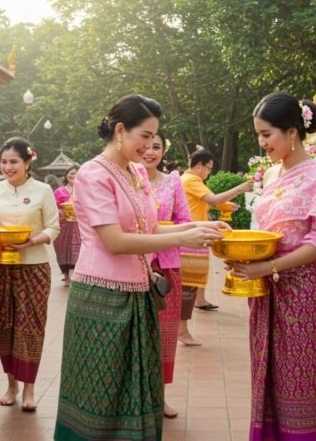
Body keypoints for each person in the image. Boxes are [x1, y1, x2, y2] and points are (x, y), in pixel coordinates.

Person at [54, 94, 228, 441]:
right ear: (120, 130)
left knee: (136, 386)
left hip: (138, 292)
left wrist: (193, 229)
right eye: (144, 136)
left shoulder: (134, 172)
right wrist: (183, 238)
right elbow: (115, 241)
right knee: (101, 391)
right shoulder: (93, 174)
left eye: (154, 138)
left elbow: (148, 228)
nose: (150, 146)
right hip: (101, 297)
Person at [230, 92, 316, 440]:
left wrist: (269, 268)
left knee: (297, 382)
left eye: (267, 134)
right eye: (258, 134)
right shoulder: (270, 176)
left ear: (292, 132)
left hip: (302, 293)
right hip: (265, 289)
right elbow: (263, 231)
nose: (262, 142)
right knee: (265, 376)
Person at [0, 137, 60, 412]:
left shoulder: (42, 190)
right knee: (4, 324)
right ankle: (11, 384)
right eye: (4, 162)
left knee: (31, 325)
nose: (8, 167)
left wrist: (33, 241)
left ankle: (29, 388)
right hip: (0, 265)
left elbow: (53, 227)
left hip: (34, 266)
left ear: (28, 162)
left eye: (14, 161)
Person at [178, 148, 252, 346]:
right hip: (192, 233)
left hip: (197, 230)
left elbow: (207, 203)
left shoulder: (192, 181)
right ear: (199, 166)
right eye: (209, 168)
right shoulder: (191, 180)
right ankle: (182, 331)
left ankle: (195, 308)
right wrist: (239, 189)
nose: (209, 172)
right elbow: (213, 199)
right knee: (188, 285)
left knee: (195, 279)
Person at [141, 130, 191, 420]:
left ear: (163, 150)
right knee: (138, 332)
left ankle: (160, 397)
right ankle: (137, 396)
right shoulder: (127, 180)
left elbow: (184, 220)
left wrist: (165, 231)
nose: (150, 151)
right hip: (136, 264)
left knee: (165, 335)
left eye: (156, 146)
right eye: (145, 145)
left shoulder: (173, 182)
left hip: (167, 267)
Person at [52, 166, 81, 284]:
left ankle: (77, 274)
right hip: (63, 224)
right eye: (70, 173)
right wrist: (60, 211)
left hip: (79, 225)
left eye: (75, 173)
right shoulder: (59, 191)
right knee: (62, 248)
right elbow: (54, 206)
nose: (73, 175)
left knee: (78, 248)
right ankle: (65, 275)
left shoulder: (83, 190)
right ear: (66, 175)